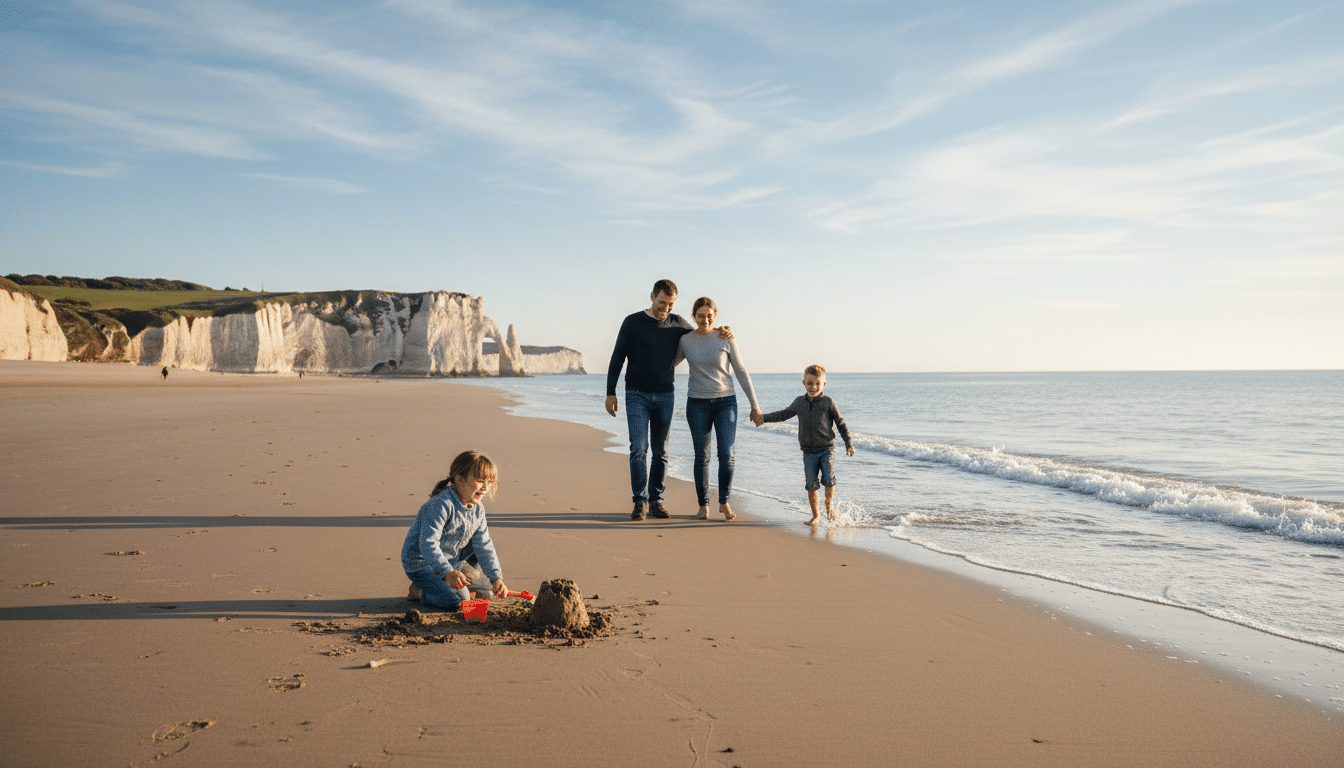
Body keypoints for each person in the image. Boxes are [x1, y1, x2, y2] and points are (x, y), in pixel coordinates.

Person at [606, 279, 731, 521]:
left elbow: (700, 332)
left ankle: (656, 501)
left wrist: (722, 330)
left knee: (661, 451)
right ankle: (639, 501)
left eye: (671, 304)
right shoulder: (632, 322)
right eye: (663, 302)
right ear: (652, 296)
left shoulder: (678, 325)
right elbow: (617, 357)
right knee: (639, 448)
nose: (666, 308)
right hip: (636, 394)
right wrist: (610, 391)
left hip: (665, 394)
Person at [676, 297, 761, 521]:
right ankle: (703, 504)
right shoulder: (685, 340)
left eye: (710, 315)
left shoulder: (725, 337)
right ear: (694, 315)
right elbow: (667, 364)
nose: (706, 319)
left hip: (726, 402)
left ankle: (724, 501)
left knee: (727, 454)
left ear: (715, 316)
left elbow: (741, 370)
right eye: (701, 315)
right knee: (701, 456)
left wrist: (755, 404)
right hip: (697, 403)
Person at [402, 450, 509, 609]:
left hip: (453, 559)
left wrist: (496, 578)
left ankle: (446, 583)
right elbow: (428, 545)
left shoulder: (478, 509)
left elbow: (484, 546)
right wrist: (448, 573)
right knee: (458, 600)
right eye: (480, 481)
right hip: (422, 563)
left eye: (490, 481)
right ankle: (419, 591)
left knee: (487, 591)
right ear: (460, 480)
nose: (486, 487)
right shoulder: (440, 505)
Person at [757, 364, 855, 526]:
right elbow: (783, 414)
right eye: (810, 383)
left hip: (826, 449)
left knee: (828, 479)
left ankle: (829, 508)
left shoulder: (828, 402)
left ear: (823, 384)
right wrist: (763, 418)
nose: (813, 386)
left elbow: (840, 423)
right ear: (803, 383)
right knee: (811, 484)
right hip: (808, 452)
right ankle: (816, 516)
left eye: (817, 383)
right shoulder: (799, 402)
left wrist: (848, 443)